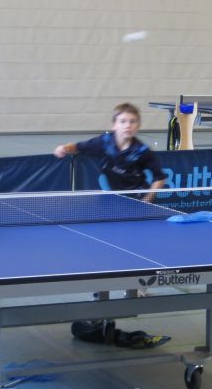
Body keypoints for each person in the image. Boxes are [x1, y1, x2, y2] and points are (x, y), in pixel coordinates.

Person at [54, 103, 170, 348]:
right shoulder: (103, 143)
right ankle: (100, 301)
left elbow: (159, 177)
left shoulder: (142, 151)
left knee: (134, 251)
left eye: (132, 122)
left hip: (135, 207)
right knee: (104, 254)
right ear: (114, 124)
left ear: (138, 125)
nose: (128, 125)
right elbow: (79, 147)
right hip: (109, 206)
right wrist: (64, 148)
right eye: (123, 121)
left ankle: (135, 288)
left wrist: (147, 200)